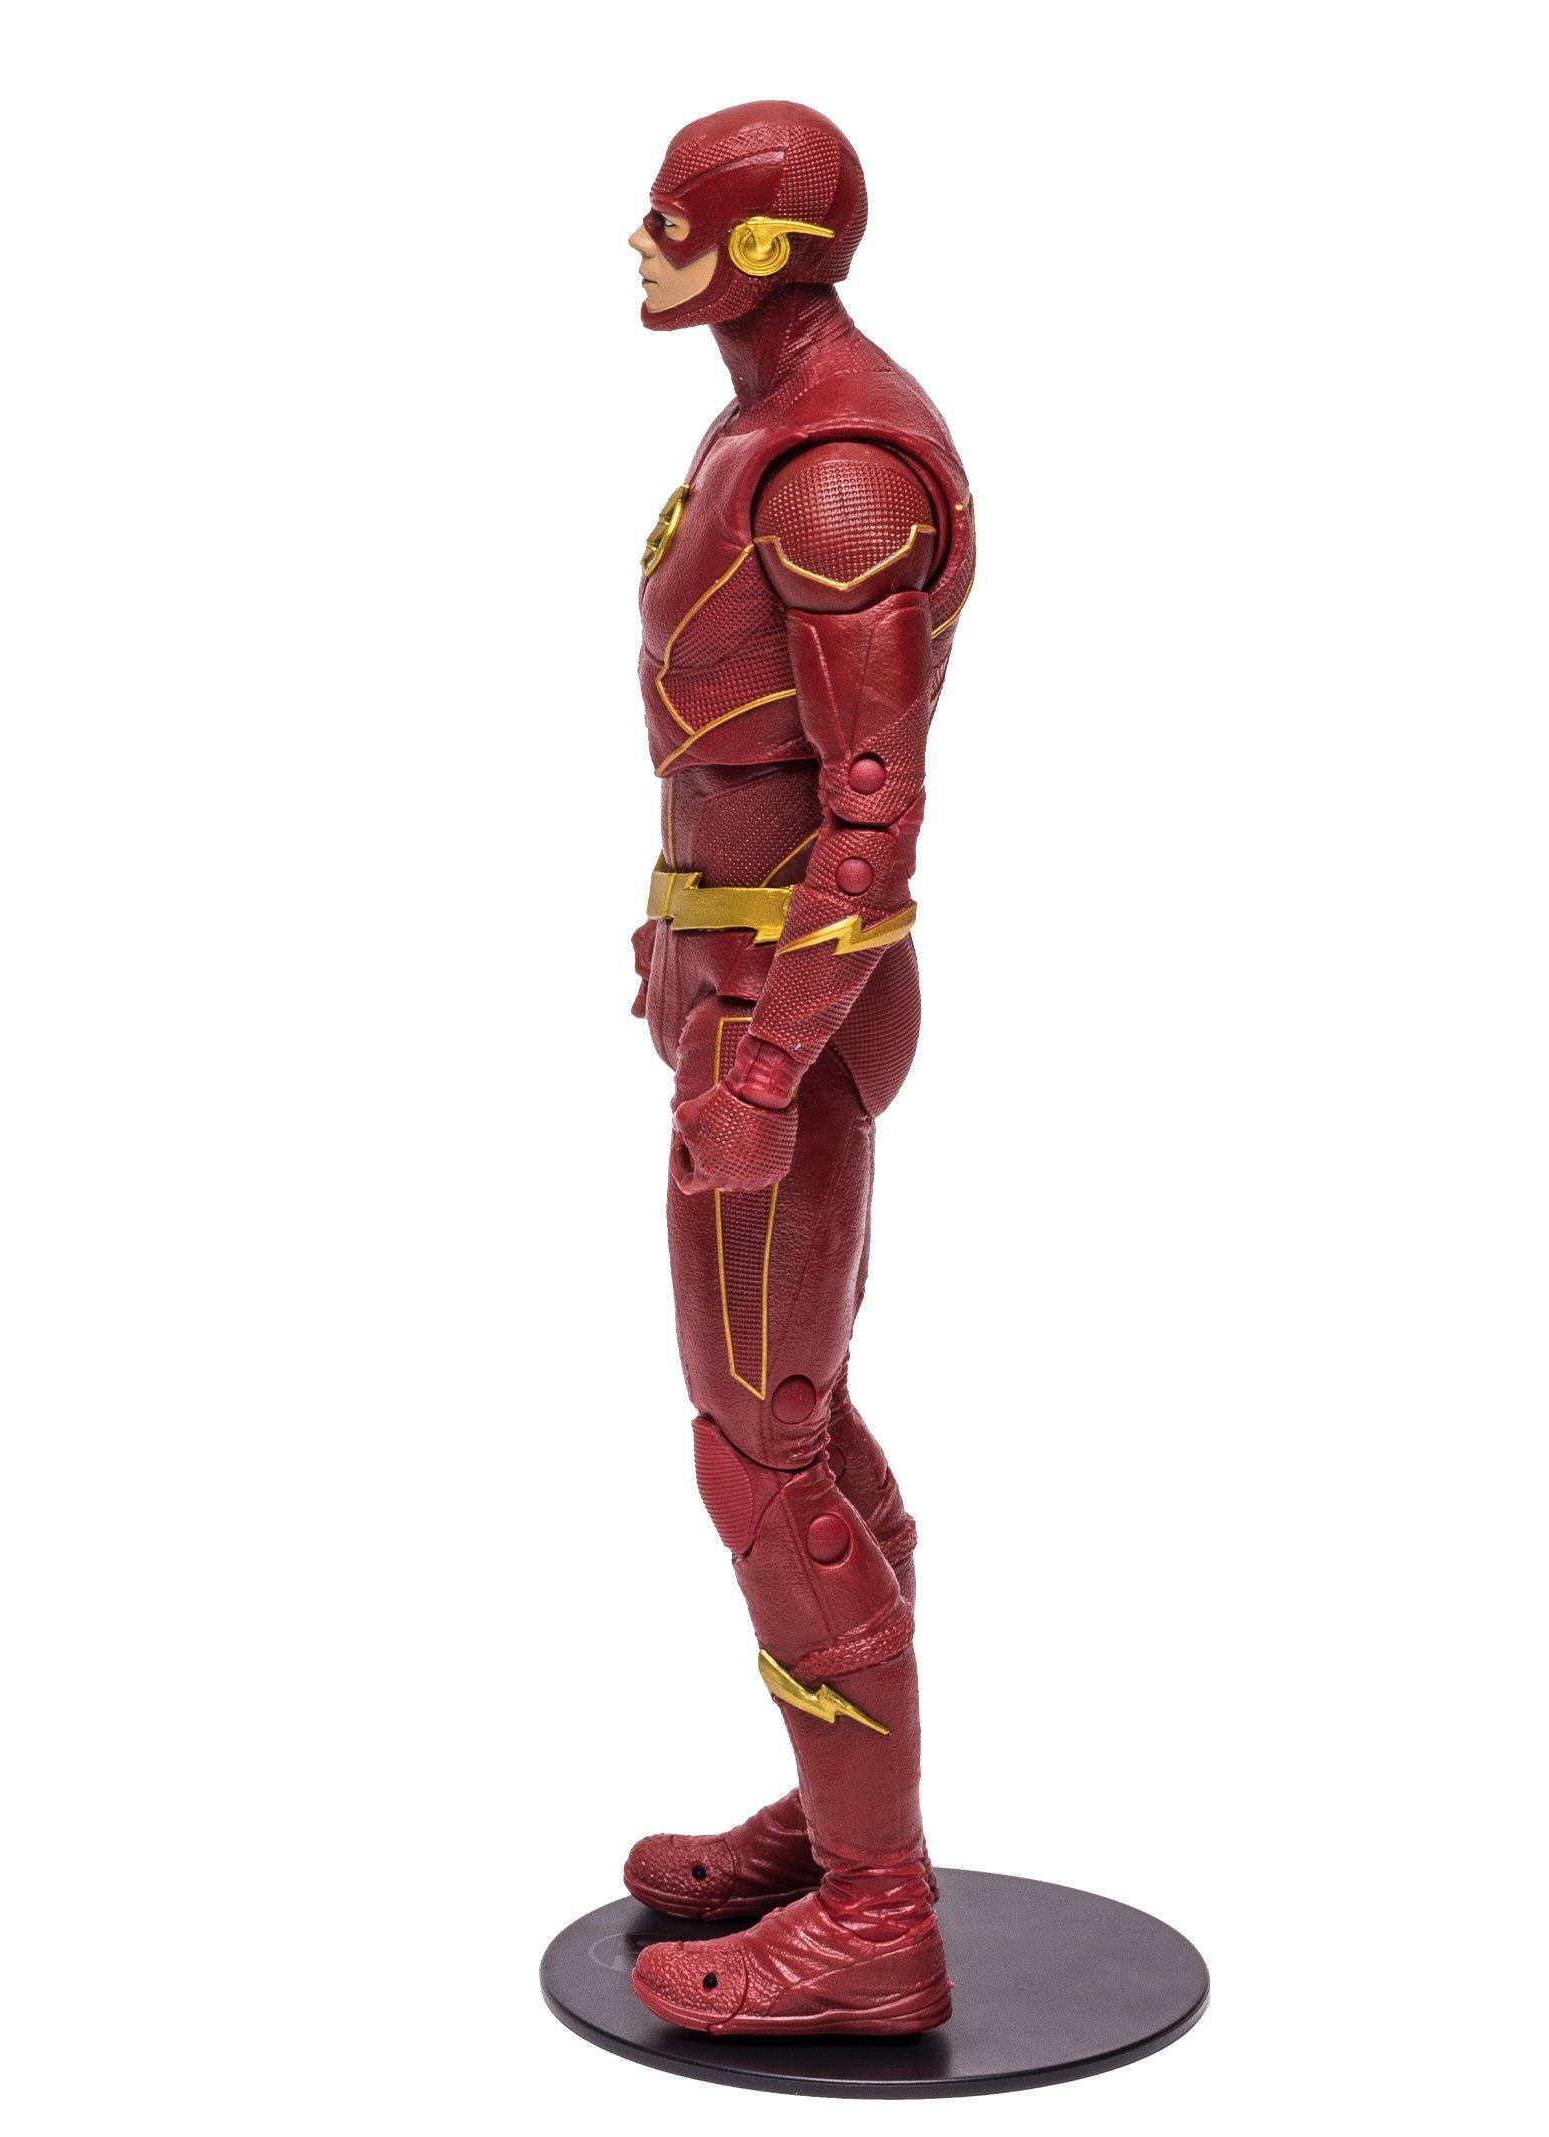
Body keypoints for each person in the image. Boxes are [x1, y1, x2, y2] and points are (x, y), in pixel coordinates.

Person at [619, 100, 975, 2037]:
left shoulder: (834, 471)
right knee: (794, 1422)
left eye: (671, 218)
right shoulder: (766, 424)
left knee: (759, 1451)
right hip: (730, 977)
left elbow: (869, 823)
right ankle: (844, 1818)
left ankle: (874, 1911)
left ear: (760, 253)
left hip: (783, 1000)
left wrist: (762, 1064)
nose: (640, 244)